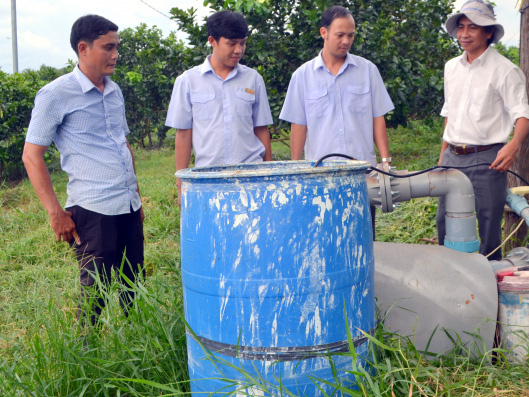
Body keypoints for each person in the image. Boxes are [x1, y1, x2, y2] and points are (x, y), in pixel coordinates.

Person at [23, 15, 145, 327]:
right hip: (92, 208)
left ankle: (141, 346)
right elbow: (32, 156)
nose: (115, 54)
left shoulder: (114, 91)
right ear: (83, 48)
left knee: (135, 286)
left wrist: (137, 197)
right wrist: (55, 213)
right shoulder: (55, 94)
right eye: (108, 47)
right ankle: (85, 359)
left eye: (117, 47)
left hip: (127, 204)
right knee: (95, 294)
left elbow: (123, 143)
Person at [279, 5, 394, 236]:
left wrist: (385, 160)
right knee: (324, 236)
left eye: (350, 35)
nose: (346, 41)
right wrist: (295, 166)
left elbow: (377, 118)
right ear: (324, 33)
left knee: (363, 235)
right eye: (340, 35)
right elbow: (299, 126)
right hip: (320, 174)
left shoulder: (367, 70)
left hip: (362, 172)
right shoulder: (302, 76)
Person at [436, 0, 529, 260]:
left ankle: (489, 287)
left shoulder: (505, 70)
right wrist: (443, 154)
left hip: (487, 160)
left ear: (488, 32)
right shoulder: (451, 68)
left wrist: (513, 147)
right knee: (445, 222)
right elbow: (450, 113)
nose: (464, 34)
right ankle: (451, 281)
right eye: (461, 28)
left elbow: (523, 115)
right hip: (452, 157)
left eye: (473, 28)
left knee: (488, 226)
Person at [166, 10, 273, 205]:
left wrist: (269, 176)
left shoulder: (253, 79)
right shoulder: (187, 82)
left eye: (243, 43)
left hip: (252, 177)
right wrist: (181, 182)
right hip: (209, 179)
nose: (239, 50)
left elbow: (261, 129)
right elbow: (183, 135)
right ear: (212, 40)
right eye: (232, 43)